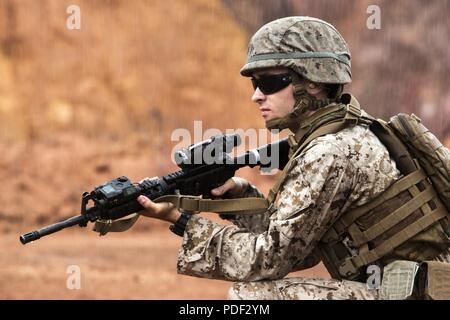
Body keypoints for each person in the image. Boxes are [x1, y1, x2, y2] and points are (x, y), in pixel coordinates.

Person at [136, 16, 450, 300]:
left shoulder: (329, 152)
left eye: (270, 82)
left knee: (256, 298)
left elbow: (269, 259)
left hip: (414, 294)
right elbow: (299, 246)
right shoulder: (343, 134)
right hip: (404, 290)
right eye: (254, 83)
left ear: (312, 82)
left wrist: (180, 220)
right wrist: (238, 193)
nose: (256, 95)